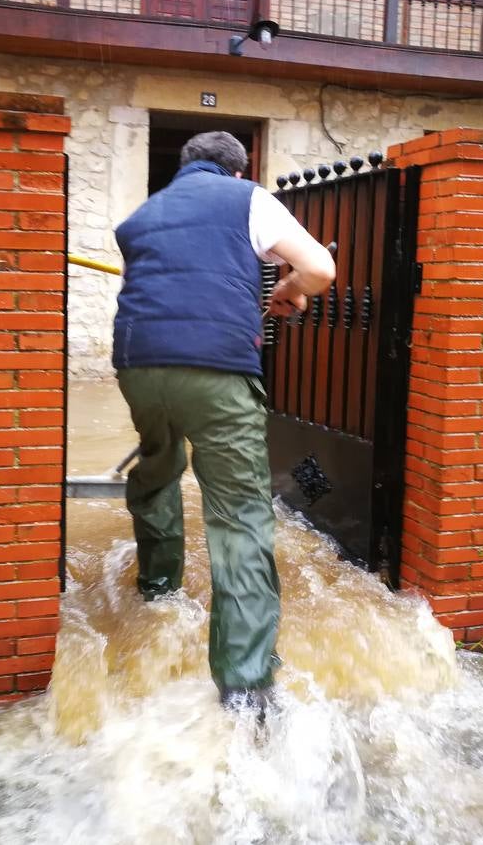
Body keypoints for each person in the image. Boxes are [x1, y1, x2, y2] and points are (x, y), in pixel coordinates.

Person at [112, 131, 335, 709]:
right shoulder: (249, 200)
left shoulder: (144, 214)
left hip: (138, 365)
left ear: (185, 167)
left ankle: (156, 590)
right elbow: (320, 267)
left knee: (159, 465)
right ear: (237, 172)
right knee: (238, 517)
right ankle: (245, 683)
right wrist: (290, 288)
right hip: (214, 369)